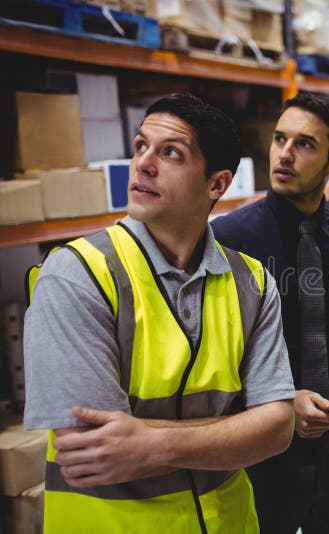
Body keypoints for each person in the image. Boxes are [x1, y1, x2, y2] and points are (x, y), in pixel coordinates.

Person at [23, 93, 296, 532]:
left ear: (217, 185)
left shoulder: (253, 281)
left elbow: (278, 427)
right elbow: (94, 453)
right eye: (140, 146)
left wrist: (151, 442)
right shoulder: (78, 274)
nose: (143, 164)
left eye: (171, 153)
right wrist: (234, 428)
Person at [212, 92, 329, 534]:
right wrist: (281, 399)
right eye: (280, 139)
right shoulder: (228, 239)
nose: (285, 154)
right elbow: (216, 353)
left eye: (306, 144)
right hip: (259, 445)